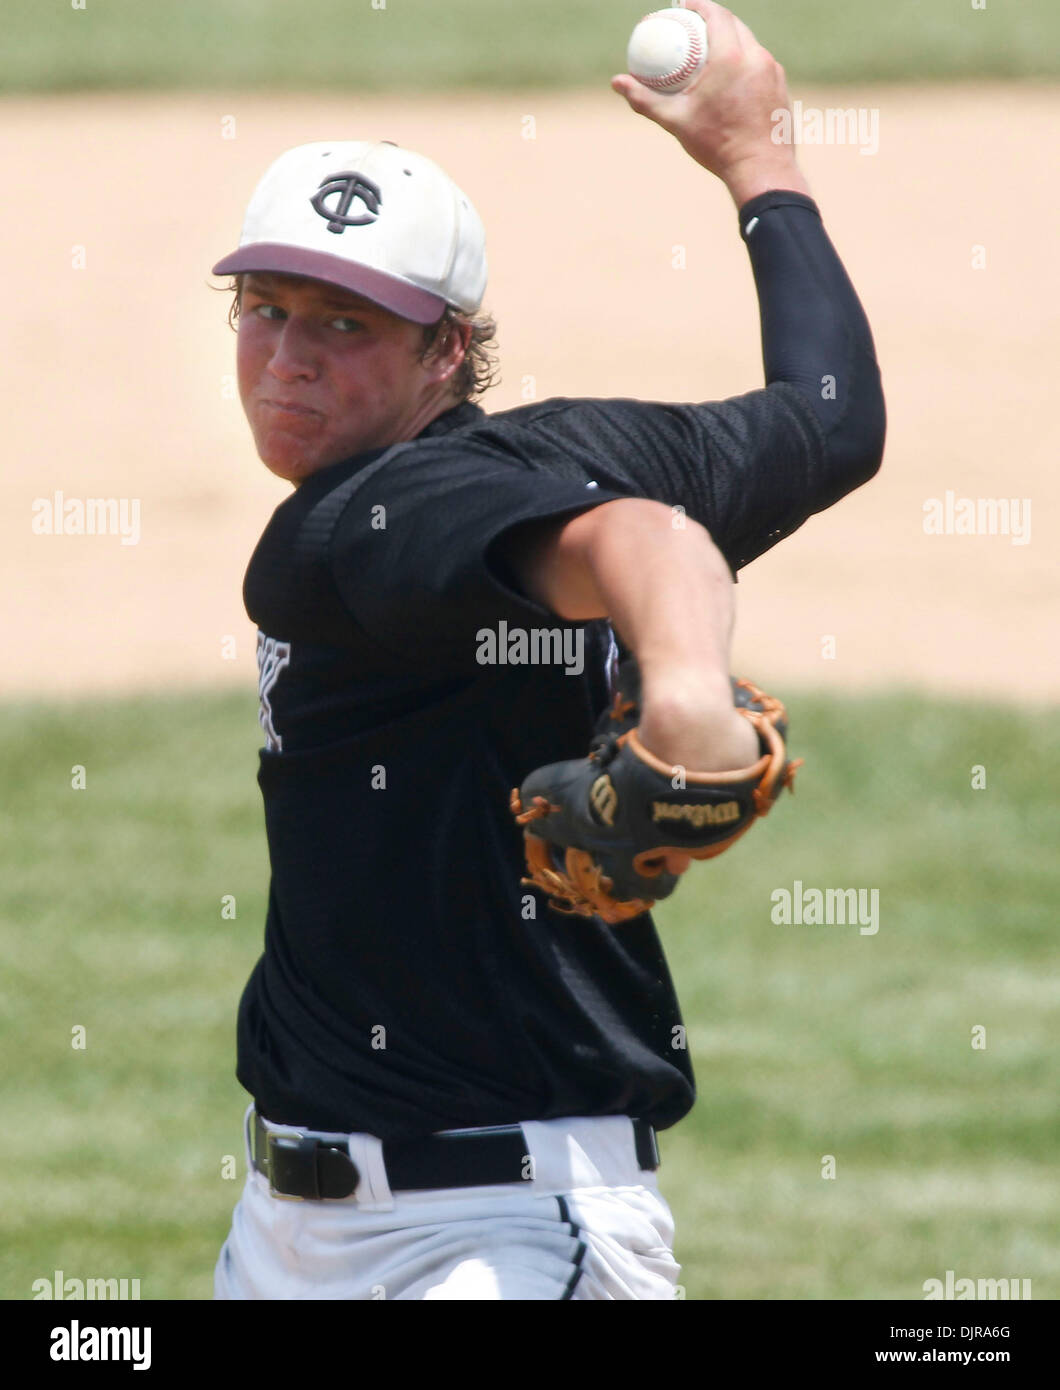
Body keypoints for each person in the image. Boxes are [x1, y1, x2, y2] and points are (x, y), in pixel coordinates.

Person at [210, 0, 885, 1300]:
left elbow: (629, 538)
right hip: (293, 1229)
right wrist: (763, 165)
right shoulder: (593, 440)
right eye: (264, 307)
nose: (287, 358)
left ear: (445, 350)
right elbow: (829, 419)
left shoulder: (358, 528)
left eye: (343, 326)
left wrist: (685, 696)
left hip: (494, 1243)